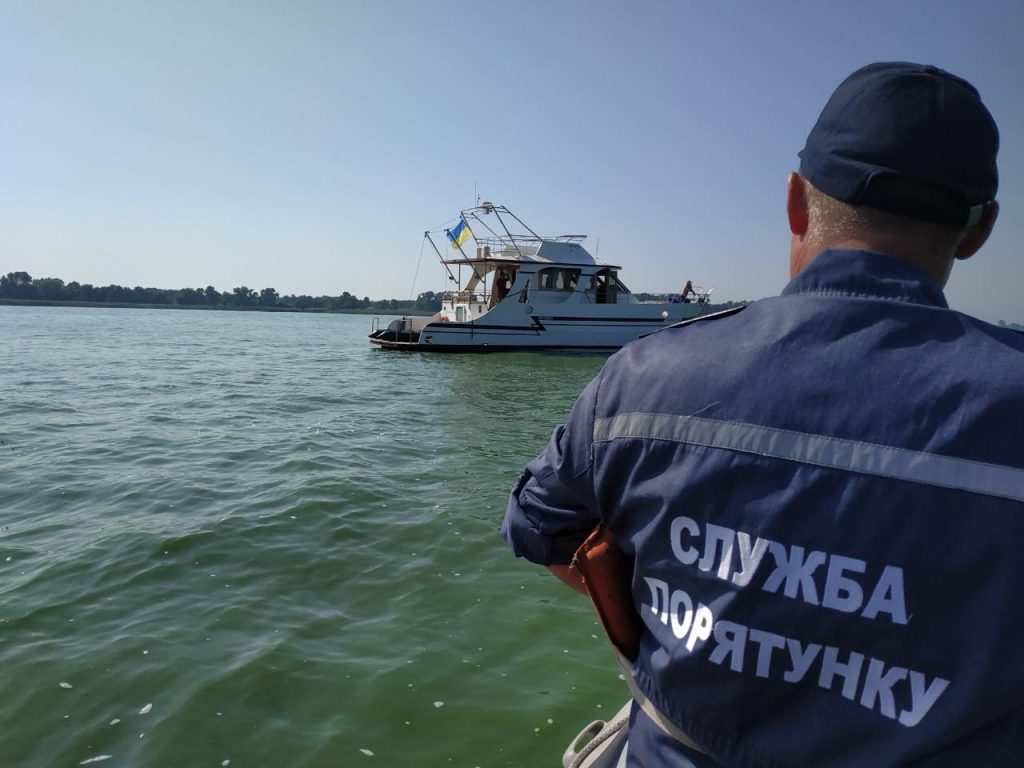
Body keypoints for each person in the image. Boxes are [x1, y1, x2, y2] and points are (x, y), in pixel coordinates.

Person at [501, 61, 1024, 767]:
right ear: (978, 232)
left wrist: (698, 620)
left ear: (795, 203)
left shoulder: (643, 378)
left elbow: (538, 527)